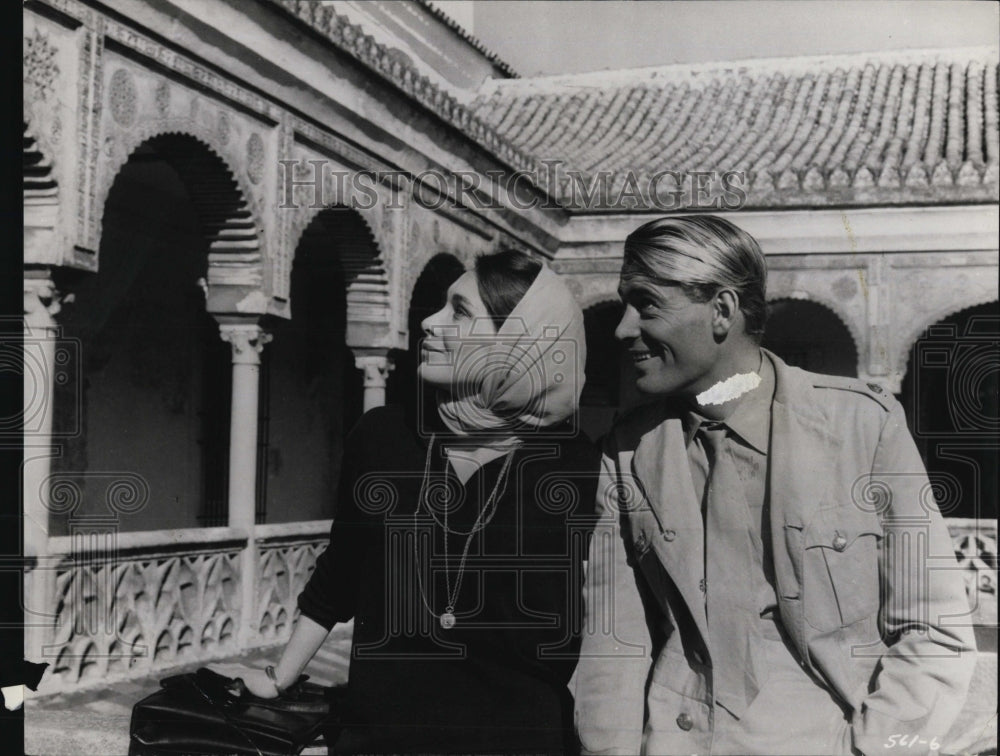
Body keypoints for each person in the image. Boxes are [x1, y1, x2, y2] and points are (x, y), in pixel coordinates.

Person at [573, 216, 976, 756]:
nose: (622, 329)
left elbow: (936, 632)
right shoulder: (627, 452)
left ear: (722, 310)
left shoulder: (863, 428)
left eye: (645, 305)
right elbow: (612, 650)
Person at [220, 248, 599, 754]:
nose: (428, 321)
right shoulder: (385, 437)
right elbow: (339, 576)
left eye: (460, 312)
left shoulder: (577, 465)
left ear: (519, 343)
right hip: (382, 738)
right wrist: (280, 676)